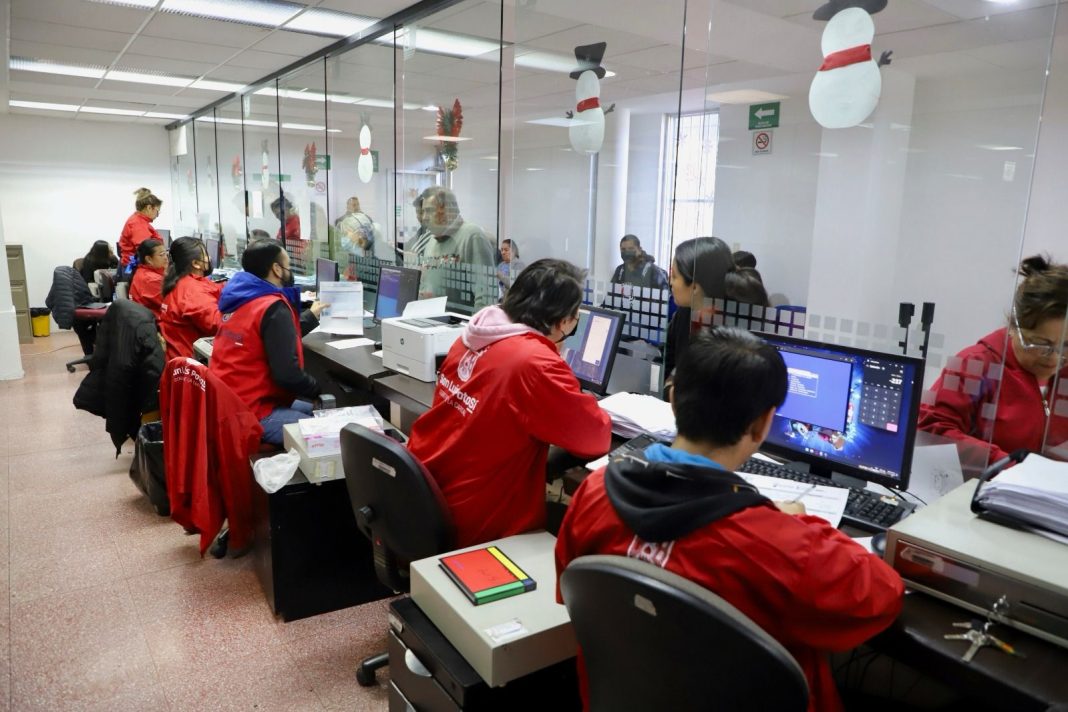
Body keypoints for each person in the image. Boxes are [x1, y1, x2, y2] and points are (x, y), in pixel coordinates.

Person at [555, 328, 904, 712]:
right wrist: (799, 525)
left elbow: (574, 595)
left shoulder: (594, 494)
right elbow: (883, 595)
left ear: (673, 399)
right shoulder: (780, 544)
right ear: (762, 424)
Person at [407, 258, 612, 548]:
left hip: (428, 492)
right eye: (575, 320)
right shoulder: (535, 362)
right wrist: (560, 366)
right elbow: (596, 437)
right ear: (563, 322)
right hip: (480, 521)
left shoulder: (472, 335)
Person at [919, 254, 1068, 462]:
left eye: (1065, 346)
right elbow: (930, 430)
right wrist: (1005, 463)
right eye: (1041, 344)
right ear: (1014, 327)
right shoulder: (975, 364)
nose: (1055, 358)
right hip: (989, 480)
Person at [211, 239, 327, 445]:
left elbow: (269, 334)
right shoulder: (273, 307)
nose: (291, 272)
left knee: (314, 410)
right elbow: (287, 375)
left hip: (227, 404)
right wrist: (318, 390)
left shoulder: (239, 296)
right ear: (277, 269)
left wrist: (310, 316)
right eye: (288, 266)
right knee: (328, 432)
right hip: (252, 412)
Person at [664, 236, 734, 380]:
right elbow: (667, 359)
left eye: (675, 276)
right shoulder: (684, 313)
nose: (670, 282)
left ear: (695, 287)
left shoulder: (730, 329)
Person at [416, 188, 497, 310]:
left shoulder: (472, 235)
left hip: (460, 321)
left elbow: (486, 296)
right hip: (433, 318)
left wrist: (475, 323)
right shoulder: (432, 241)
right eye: (423, 212)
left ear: (448, 210)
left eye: (429, 211)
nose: (424, 217)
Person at [159, 236, 222, 361]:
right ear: (196, 264)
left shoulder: (180, 281)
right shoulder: (192, 292)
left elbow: (212, 288)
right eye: (206, 255)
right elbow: (218, 324)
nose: (209, 258)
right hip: (192, 364)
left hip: (177, 357)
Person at [119, 188, 163, 266]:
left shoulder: (137, 219)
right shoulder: (138, 224)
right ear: (149, 208)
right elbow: (146, 249)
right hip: (135, 266)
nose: (157, 215)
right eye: (157, 211)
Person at [128, 238, 168, 319]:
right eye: (162, 255)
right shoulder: (151, 279)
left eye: (166, 254)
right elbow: (170, 305)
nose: (166, 258)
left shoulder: (142, 271)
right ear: (149, 259)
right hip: (155, 321)